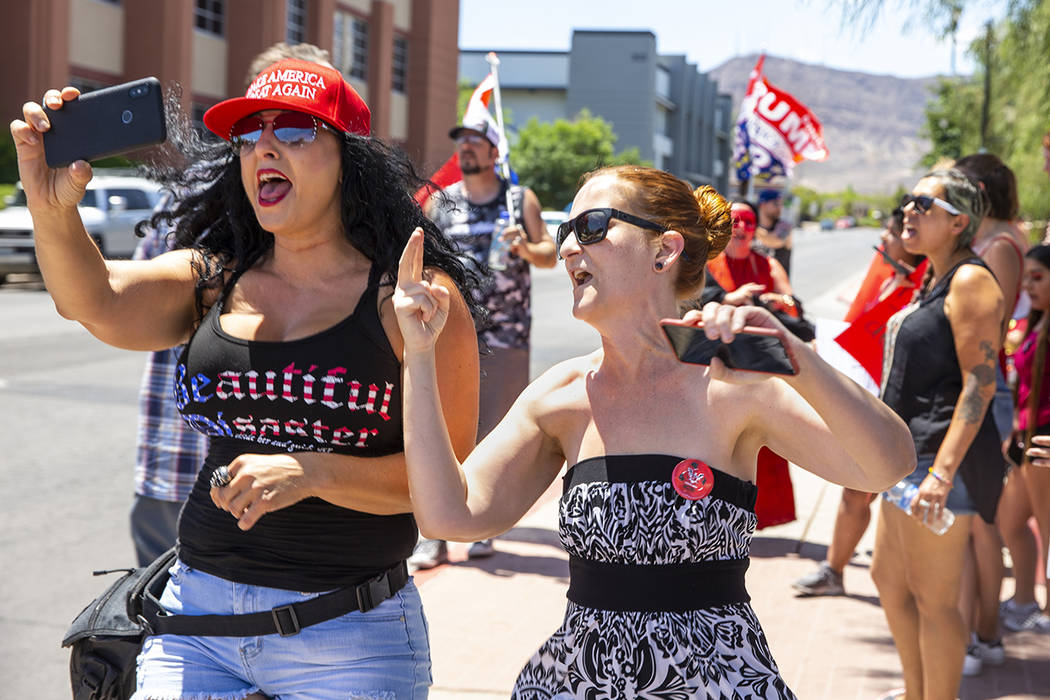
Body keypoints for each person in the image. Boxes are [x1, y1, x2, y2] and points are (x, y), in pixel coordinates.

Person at [13, 57, 482, 698]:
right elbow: (95, 300)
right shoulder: (217, 278)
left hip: (347, 635)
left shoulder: (411, 300)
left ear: (350, 159)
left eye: (293, 132)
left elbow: (448, 489)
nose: (264, 146)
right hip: (194, 624)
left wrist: (314, 470)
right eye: (249, 134)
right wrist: (50, 208)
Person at [393, 164, 915, 697]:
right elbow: (448, 514)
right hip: (579, 682)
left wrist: (796, 356)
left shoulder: (735, 384)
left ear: (664, 251)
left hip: (717, 683)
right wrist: (418, 354)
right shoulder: (561, 395)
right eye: (565, 233)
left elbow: (887, 465)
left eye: (592, 227)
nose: (570, 247)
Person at [129, 40, 333, 567]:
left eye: (301, 125)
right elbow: (127, 301)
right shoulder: (192, 199)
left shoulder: (346, 219)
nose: (273, 141)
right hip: (186, 466)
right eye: (268, 122)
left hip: (285, 481)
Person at [872, 168, 1006, 700]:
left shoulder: (972, 280)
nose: (908, 210)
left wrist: (942, 474)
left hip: (937, 463)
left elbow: (980, 384)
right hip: (906, 460)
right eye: (907, 201)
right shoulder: (934, 278)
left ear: (958, 222)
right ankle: (914, 692)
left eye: (922, 204)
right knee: (888, 579)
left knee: (936, 600)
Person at [410, 115, 557, 569]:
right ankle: (433, 535)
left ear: (496, 152)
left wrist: (524, 249)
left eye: (476, 142)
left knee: (496, 434)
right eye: (462, 143)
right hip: (451, 332)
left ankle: (482, 529)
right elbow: (423, 257)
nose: (467, 150)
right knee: (446, 432)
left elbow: (549, 255)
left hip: (507, 332)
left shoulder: (518, 201)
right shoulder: (442, 202)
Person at [793, 207, 925, 597]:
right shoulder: (887, 278)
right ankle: (834, 569)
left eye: (891, 234)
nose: (883, 242)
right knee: (855, 490)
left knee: (892, 497)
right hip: (873, 399)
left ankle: (917, 584)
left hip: (908, 409)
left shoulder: (925, 290)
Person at [953, 152, 1027, 674]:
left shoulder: (1001, 246)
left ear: (977, 188)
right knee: (975, 521)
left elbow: (988, 334)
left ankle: (982, 635)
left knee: (978, 522)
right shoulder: (998, 241)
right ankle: (982, 635)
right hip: (981, 386)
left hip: (983, 387)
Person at [706, 201, 799, 530]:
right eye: (734, 221)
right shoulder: (708, 264)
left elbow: (793, 310)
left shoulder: (769, 265)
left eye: (747, 221)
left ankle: (756, 518)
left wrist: (773, 303)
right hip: (717, 372)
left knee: (761, 444)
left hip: (758, 371)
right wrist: (729, 300)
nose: (740, 228)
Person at [996, 244, 1050, 633]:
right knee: (1009, 522)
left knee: (1048, 536)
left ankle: (1044, 612)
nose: (1029, 285)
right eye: (1026, 277)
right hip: (1023, 441)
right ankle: (1025, 601)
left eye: (1038, 277)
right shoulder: (1036, 321)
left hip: (1043, 443)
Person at [754, 188, 793, 278]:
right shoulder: (751, 226)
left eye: (781, 204)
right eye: (775, 203)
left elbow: (775, 241)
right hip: (755, 284)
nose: (779, 207)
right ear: (762, 204)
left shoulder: (785, 226)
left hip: (778, 288)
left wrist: (751, 228)